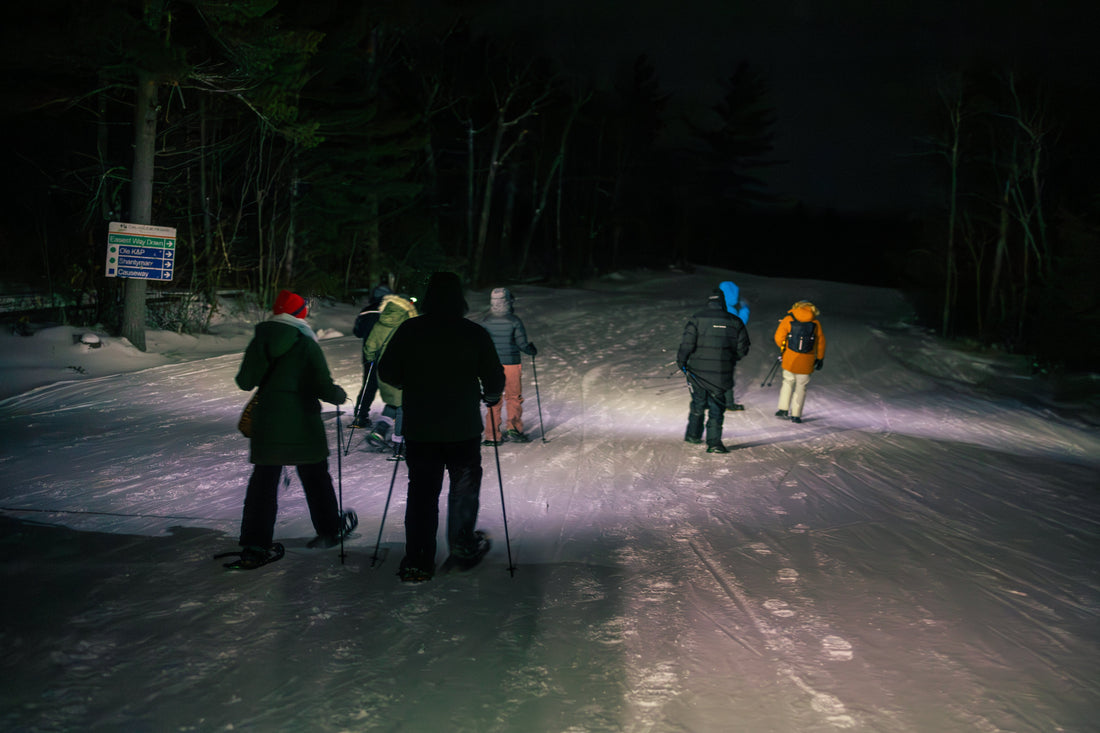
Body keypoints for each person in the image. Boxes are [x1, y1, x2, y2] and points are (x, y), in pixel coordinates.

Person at [378, 272, 505, 582]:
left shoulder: (411, 330)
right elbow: (494, 376)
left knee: (422, 493)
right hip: (462, 428)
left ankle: (418, 560)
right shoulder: (473, 333)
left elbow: (387, 370)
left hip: (421, 427)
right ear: (459, 299)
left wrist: (408, 382)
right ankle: (462, 547)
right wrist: (490, 395)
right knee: (463, 489)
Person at [233, 289, 357, 568]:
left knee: (263, 483)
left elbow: (245, 381)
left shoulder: (261, 338)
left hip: (268, 423)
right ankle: (329, 529)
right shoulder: (305, 342)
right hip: (302, 421)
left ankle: (255, 544)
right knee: (315, 476)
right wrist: (338, 395)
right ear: (300, 314)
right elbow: (322, 385)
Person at [676, 288, 751, 453]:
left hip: (697, 372)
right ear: (722, 302)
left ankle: (693, 435)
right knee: (717, 405)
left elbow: (687, 344)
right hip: (721, 371)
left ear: (709, 302)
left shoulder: (697, 318)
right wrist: (731, 358)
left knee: (698, 401)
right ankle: (714, 443)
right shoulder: (735, 321)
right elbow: (743, 348)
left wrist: (681, 361)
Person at [478, 287, 537, 445]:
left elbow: (481, 344)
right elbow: (522, 344)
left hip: (492, 365)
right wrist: (530, 350)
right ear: (509, 301)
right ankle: (514, 429)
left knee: (493, 397)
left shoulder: (486, 321)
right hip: (511, 363)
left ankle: (492, 435)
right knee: (513, 396)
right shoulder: (514, 320)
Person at [362, 293, 418, 452]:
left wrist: (371, 359)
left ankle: (379, 431)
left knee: (393, 402)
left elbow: (370, 347)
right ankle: (399, 443)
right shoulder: (410, 322)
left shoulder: (381, 321)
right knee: (402, 405)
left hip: (383, 370)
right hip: (403, 369)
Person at [773, 300, 826, 424]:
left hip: (790, 359)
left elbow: (778, 337)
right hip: (806, 360)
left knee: (787, 382)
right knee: (801, 387)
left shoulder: (788, 319)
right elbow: (820, 342)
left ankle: (783, 409)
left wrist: (785, 348)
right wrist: (820, 358)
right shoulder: (815, 323)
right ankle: (796, 415)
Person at [350, 282, 393, 428]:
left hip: (370, 355)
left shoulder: (366, 312)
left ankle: (360, 416)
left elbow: (358, 332)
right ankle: (394, 415)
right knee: (394, 385)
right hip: (389, 355)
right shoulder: (393, 311)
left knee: (369, 385)